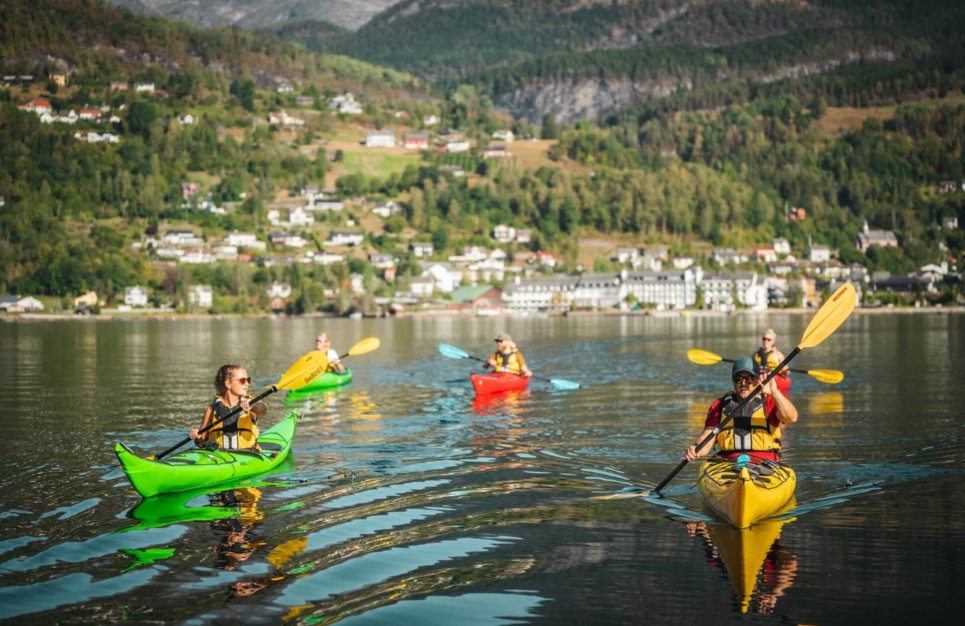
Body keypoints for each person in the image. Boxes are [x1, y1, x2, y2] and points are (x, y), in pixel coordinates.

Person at [684, 356, 797, 463]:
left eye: (748, 379)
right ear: (733, 380)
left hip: (766, 462)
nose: (743, 384)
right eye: (738, 379)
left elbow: (792, 418)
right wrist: (695, 448)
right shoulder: (719, 406)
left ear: (757, 380)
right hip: (729, 462)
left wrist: (775, 393)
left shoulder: (769, 402)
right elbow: (706, 439)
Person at [189, 364, 267, 450]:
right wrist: (197, 435)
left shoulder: (251, 403)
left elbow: (263, 408)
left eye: (248, 380)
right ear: (228, 383)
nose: (247, 384)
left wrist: (253, 403)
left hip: (247, 455)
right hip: (218, 456)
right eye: (242, 380)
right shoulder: (211, 409)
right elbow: (200, 442)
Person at [753, 328, 791, 394]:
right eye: (764, 339)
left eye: (769, 340)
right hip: (760, 377)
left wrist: (786, 371)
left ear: (773, 341)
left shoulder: (778, 355)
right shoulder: (756, 354)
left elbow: (787, 372)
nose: (766, 341)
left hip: (773, 378)